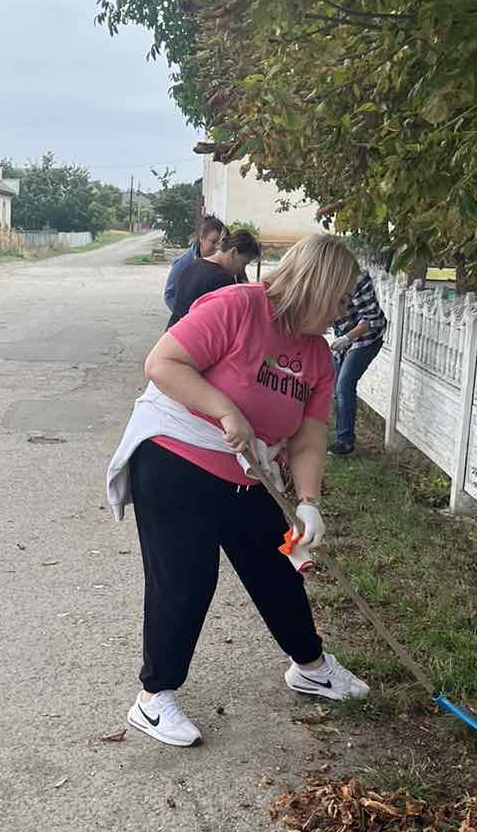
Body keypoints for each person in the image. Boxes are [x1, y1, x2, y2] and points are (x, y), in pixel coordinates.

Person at [106, 233, 371, 748]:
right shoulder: (238, 306)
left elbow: (310, 436)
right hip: (175, 456)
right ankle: (154, 697)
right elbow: (163, 363)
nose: (343, 312)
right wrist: (226, 410)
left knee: (277, 568)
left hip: (249, 471)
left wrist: (309, 503)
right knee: (186, 578)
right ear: (316, 286)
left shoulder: (317, 355)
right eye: (340, 299)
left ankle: (311, 667)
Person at [328, 263, 387, 457]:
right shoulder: (321, 279)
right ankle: (340, 436)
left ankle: (345, 443)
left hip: (367, 336)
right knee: (335, 388)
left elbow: (371, 319)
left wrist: (348, 338)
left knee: (344, 385)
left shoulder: (359, 279)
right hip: (343, 334)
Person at [168, 227, 260, 325]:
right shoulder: (222, 279)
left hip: (175, 328)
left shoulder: (193, 264)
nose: (242, 269)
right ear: (233, 252)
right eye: (244, 263)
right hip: (195, 332)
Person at [164, 215, 226, 310]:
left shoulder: (228, 262)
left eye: (221, 244)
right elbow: (170, 295)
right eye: (213, 242)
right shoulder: (184, 264)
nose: (218, 248)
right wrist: (188, 314)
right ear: (201, 238)